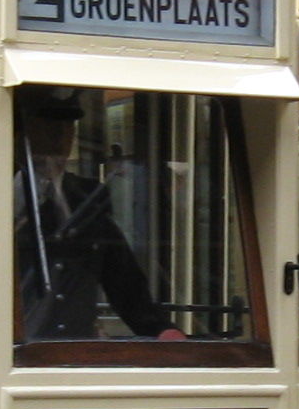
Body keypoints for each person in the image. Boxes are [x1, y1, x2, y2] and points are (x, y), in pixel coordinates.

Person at [14, 87, 185, 341]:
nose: (59, 139)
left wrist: (161, 329)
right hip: (18, 351)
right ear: (24, 135)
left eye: (67, 129)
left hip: (78, 350)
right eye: (49, 127)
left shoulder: (87, 195)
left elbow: (122, 276)